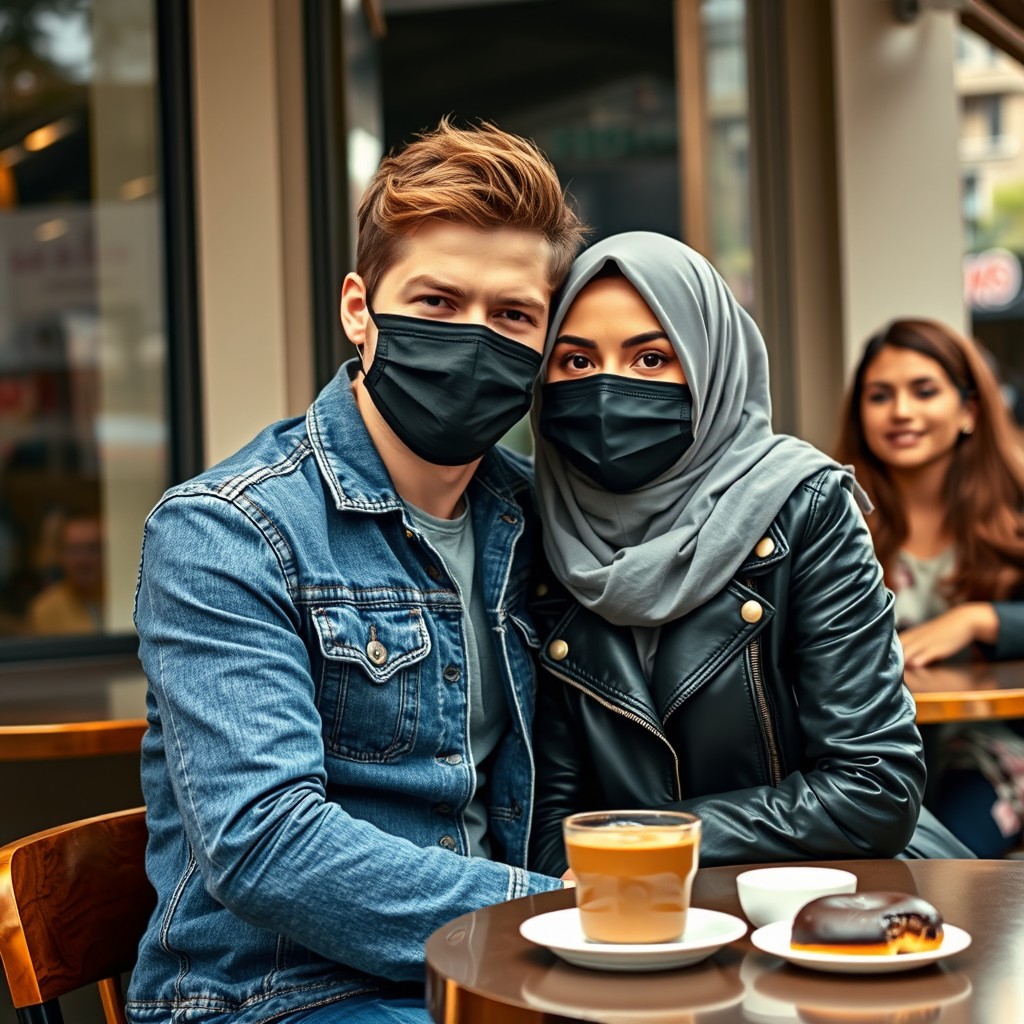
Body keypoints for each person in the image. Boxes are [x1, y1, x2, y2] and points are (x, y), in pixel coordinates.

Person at [128, 120, 586, 1024]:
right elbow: (263, 842)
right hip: (278, 995)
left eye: (512, 316)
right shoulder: (227, 531)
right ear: (358, 309)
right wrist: (553, 916)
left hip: (497, 981)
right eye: (436, 302)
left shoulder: (539, 519)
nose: (473, 337)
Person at [528, 232, 970, 877]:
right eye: (576, 361)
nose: (607, 390)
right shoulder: (538, 526)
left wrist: (654, 840)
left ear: (710, 366)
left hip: (827, 902)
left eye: (651, 358)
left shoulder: (804, 507)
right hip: (632, 915)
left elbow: (874, 787)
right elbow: (547, 819)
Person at [835, 318, 1024, 857]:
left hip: (991, 752)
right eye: (880, 395)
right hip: (865, 757)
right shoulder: (827, 514)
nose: (901, 412)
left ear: (969, 410)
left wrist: (979, 619)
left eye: (924, 391)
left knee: (948, 872)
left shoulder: (1018, 507)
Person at [25, 511, 104, 634]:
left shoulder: (132, 600)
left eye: (92, 548)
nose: (83, 560)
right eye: (74, 550)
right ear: (60, 555)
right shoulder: (45, 609)